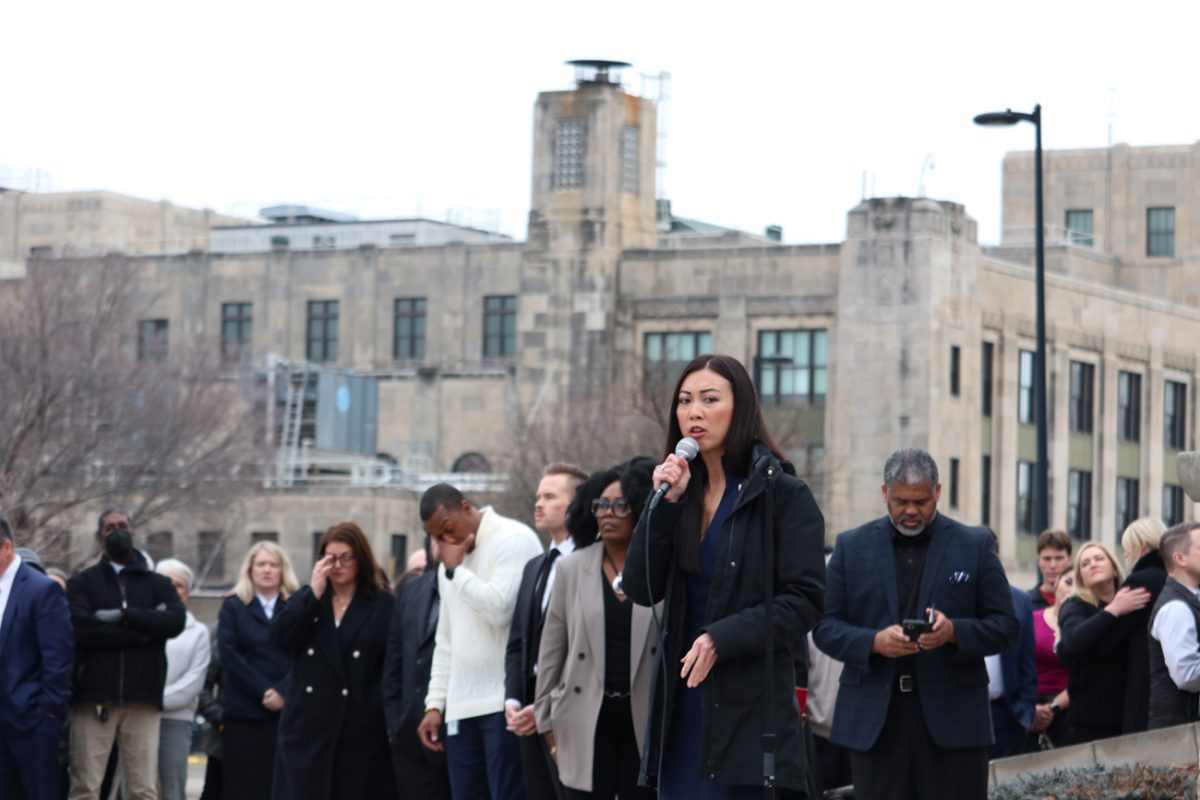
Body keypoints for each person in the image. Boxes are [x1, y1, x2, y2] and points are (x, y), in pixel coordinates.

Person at [623, 354, 826, 797]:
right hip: (681, 707)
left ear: (742, 410)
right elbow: (640, 587)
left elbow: (806, 599)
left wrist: (722, 637)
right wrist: (665, 507)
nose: (693, 412)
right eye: (684, 401)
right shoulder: (679, 493)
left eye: (709, 399)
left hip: (749, 712)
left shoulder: (783, 495)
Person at [814, 448, 1019, 800]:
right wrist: (874, 642)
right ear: (884, 493)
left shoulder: (975, 545)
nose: (911, 511)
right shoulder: (851, 546)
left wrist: (954, 632)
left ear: (937, 492)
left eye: (921, 501)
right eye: (900, 501)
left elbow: (1006, 626)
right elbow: (824, 627)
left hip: (955, 721)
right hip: (875, 722)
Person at [535, 458, 660, 799]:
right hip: (584, 720)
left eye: (619, 505)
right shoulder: (572, 568)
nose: (607, 513)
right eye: (600, 505)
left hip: (645, 723)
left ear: (640, 508)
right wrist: (547, 721)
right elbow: (551, 650)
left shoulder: (660, 568)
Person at [416, 483, 543, 800]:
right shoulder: (451, 562)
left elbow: (501, 609)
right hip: (460, 707)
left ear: (466, 508)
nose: (446, 541)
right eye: (437, 537)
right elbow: (446, 639)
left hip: (505, 703)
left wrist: (456, 571)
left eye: (447, 528)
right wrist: (435, 704)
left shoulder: (513, 538)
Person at [66, 509, 185, 800]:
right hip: (94, 698)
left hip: (143, 697)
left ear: (133, 532)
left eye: (123, 526)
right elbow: (83, 630)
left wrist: (121, 615)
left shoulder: (159, 584)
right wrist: (145, 631)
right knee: (85, 787)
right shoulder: (82, 583)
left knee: (143, 789)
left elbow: (174, 622)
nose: (117, 531)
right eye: (109, 528)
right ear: (99, 538)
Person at [273, 522, 396, 800]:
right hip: (307, 730)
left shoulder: (382, 605)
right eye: (330, 558)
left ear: (360, 559)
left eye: (345, 558)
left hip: (359, 730)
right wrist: (312, 594)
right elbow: (281, 639)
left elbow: (390, 665)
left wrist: (374, 707)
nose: (337, 565)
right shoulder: (309, 600)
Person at [506, 462, 589, 800]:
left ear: (576, 505)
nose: (538, 503)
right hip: (527, 717)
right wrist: (512, 699)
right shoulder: (534, 567)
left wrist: (546, 707)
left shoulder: (593, 562)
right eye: (538, 495)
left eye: (550, 496)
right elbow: (516, 643)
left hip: (572, 716)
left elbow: (583, 647)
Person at [217, 540, 298, 800]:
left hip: (286, 711)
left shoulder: (295, 605)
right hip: (245, 711)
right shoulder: (234, 606)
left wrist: (282, 692)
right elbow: (229, 655)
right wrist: (264, 691)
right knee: (243, 786)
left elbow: (305, 655)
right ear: (250, 569)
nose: (266, 570)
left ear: (282, 570)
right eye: (261, 564)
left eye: (273, 565)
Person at [0, 519, 73, 800]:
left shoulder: (42, 590)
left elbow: (59, 658)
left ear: (7, 547)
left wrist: (47, 714)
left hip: (32, 723)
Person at [1055, 542, 1150, 744]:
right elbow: (1072, 640)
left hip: (1131, 709)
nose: (1092, 565)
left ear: (1114, 567)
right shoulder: (1074, 605)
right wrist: (1113, 610)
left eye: (1099, 559)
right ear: (1081, 577)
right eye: (1085, 563)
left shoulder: (1131, 598)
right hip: (1090, 716)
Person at [384, 535, 452, 800]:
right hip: (409, 733)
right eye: (437, 537)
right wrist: (395, 724)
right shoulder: (412, 590)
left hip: (455, 730)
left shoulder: (474, 588)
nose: (443, 543)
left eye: (449, 535)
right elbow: (394, 661)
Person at [156, 558, 211, 800]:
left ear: (186, 593)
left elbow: (193, 682)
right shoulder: (139, 623)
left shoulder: (197, 632)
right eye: (166, 582)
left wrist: (152, 698)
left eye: (178, 585)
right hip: (136, 716)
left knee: (172, 787)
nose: (172, 589)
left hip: (175, 719)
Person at [982, 532, 1037, 759]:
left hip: (1007, 715)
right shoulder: (950, 598)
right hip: (961, 714)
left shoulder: (1020, 600)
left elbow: (1027, 662)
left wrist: (1026, 712)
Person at [1148, 522, 1200, 728]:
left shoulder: (1189, 599)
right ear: (1180, 559)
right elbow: (1187, 676)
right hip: (1180, 735)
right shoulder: (1175, 608)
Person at [1119, 516, 1167, 733]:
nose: (1125, 556)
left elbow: (1113, 637)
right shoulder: (1178, 578)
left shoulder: (1139, 582)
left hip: (1143, 680)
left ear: (1143, 546)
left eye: (1127, 549)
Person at [1029, 570, 1072, 747]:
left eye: (1080, 585)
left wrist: (1053, 707)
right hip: (1031, 707)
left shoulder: (1089, 622)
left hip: (1069, 708)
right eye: (1069, 582)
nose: (1073, 589)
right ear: (1056, 584)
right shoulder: (1032, 618)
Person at [1028, 530, 1072, 611]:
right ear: (1038, 561)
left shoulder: (1082, 601)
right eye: (1047, 559)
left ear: (1069, 560)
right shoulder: (1025, 603)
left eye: (1059, 558)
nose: (1053, 565)